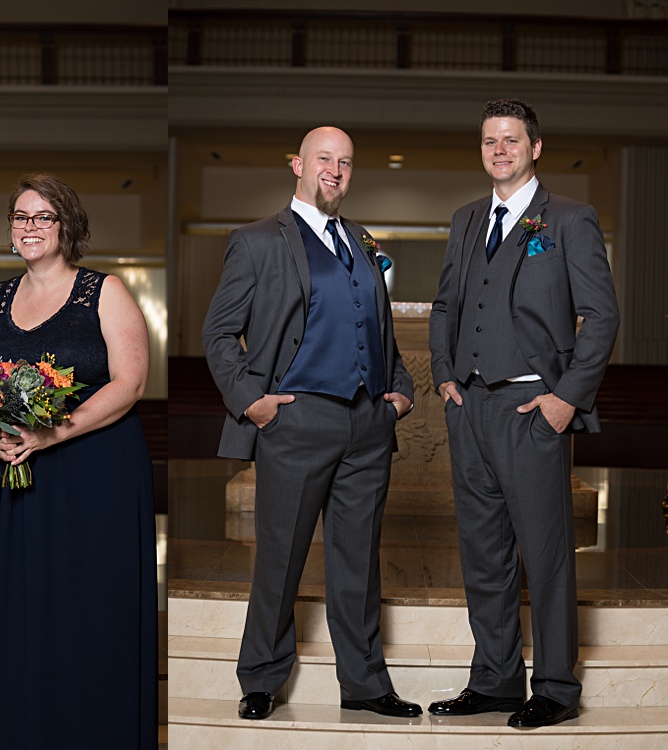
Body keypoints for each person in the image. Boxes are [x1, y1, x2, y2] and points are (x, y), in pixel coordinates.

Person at [202, 126, 419, 721]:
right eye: (324, 158)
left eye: (346, 161)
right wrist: (254, 402)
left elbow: (376, 327)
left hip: (367, 423)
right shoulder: (256, 241)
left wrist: (397, 393)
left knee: (358, 560)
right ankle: (261, 679)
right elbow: (219, 334)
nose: (336, 169)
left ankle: (367, 684)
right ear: (297, 164)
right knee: (280, 555)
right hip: (294, 421)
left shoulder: (362, 240)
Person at [426, 99, 619, 729]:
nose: (499, 150)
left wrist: (565, 400)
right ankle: (497, 678)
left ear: (535, 147)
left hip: (534, 407)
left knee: (546, 553)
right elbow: (447, 305)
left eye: (511, 140)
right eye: (490, 141)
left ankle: (558, 687)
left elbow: (603, 316)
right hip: (471, 407)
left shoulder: (568, 219)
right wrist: (445, 375)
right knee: (483, 552)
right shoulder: (464, 219)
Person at [0, 174, 154, 747]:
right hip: (29, 479)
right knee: (35, 607)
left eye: (43, 217)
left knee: (95, 605)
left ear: (67, 226)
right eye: (21, 217)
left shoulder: (104, 291)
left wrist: (48, 434)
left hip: (98, 468)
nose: (30, 227)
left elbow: (129, 384)